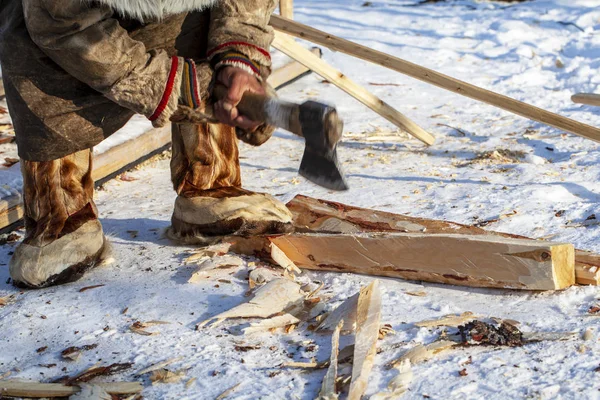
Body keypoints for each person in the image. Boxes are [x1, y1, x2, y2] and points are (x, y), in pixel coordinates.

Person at [0, 0, 294, 289]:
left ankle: (211, 183)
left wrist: (238, 56)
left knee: (209, 27)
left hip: (173, 15)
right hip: (58, 24)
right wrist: (179, 87)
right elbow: (59, 24)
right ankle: (61, 217)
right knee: (31, 48)